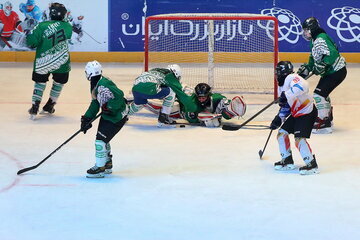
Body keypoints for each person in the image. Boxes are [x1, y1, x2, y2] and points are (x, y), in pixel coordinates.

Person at [298, 17, 347, 134]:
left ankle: (324, 122)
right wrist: (308, 67)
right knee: (322, 93)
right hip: (332, 72)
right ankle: (327, 117)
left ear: (312, 29)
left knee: (319, 94)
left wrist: (323, 65)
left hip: (336, 71)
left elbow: (333, 54)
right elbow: (314, 56)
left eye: (306, 30)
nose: (304, 33)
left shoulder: (321, 39)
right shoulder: (314, 39)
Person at [80, 61, 128, 178]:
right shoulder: (96, 83)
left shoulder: (103, 84)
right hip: (109, 114)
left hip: (117, 116)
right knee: (102, 139)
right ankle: (107, 163)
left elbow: (119, 95)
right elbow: (96, 103)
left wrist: (109, 106)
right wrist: (87, 118)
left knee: (100, 142)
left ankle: (100, 168)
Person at [270, 61, 319, 175]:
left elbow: (303, 86)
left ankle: (311, 164)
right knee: (281, 134)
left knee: (299, 139)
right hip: (297, 113)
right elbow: (286, 106)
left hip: (307, 113)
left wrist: (286, 95)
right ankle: (287, 161)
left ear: (283, 72)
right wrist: (279, 118)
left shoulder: (292, 77)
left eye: (278, 72)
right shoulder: (281, 86)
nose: (276, 74)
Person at [27, 2, 72, 120]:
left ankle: (35, 106)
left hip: (43, 61)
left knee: (40, 83)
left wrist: (30, 33)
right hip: (61, 61)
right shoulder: (67, 26)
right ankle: (50, 105)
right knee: (59, 83)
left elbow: (31, 43)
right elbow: (68, 33)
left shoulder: (41, 26)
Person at [143, 83, 247, 127]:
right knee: (162, 109)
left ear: (208, 95)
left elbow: (226, 104)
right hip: (182, 109)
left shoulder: (216, 98)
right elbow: (193, 119)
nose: (201, 99)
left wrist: (230, 111)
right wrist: (211, 118)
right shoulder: (191, 103)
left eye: (204, 97)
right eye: (199, 97)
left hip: (187, 98)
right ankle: (140, 101)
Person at [128, 64, 196, 127]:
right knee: (172, 92)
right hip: (149, 88)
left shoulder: (156, 70)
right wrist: (192, 108)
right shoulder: (170, 75)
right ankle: (164, 117)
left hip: (135, 88)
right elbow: (180, 94)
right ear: (175, 73)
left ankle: (123, 116)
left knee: (139, 104)